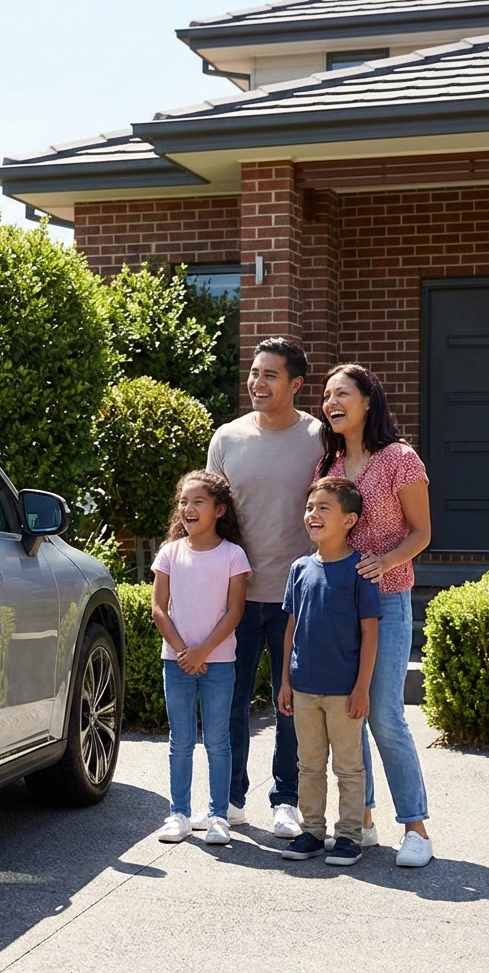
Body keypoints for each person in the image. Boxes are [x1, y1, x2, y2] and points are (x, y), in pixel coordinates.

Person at [204, 337, 324, 837]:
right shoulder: (227, 438)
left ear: (295, 384)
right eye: (254, 373)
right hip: (237, 598)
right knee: (229, 701)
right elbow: (211, 517)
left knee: (289, 701)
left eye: (270, 375)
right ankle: (230, 799)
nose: (257, 382)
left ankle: (286, 800)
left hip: (297, 600)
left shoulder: (320, 438)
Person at [317, 363, 434, 868]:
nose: (331, 402)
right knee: (350, 715)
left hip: (386, 599)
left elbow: (422, 532)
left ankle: (416, 830)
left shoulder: (399, 459)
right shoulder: (329, 466)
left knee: (385, 714)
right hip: (340, 605)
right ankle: (361, 821)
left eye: (341, 393)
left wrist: (386, 562)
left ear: (368, 401)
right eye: (326, 395)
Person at [278, 477, 381, 867]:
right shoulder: (300, 568)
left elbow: (370, 632)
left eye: (324, 508)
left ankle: (350, 837)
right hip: (303, 689)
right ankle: (312, 831)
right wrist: (286, 681)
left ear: (350, 520)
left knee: (349, 767)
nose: (313, 514)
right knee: (308, 764)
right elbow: (291, 628)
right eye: (310, 508)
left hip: (344, 692)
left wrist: (362, 688)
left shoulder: (361, 570)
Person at [151, 470, 251, 845]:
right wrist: (182, 652)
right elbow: (159, 608)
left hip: (219, 663)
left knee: (217, 741)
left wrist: (202, 651)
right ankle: (178, 813)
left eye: (198, 501)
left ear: (219, 509)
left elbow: (235, 610)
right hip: (175, 663)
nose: (188, 508)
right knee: (180, 740)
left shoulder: (233, 555)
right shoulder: (169, 553)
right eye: (183, 501)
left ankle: (218, 816)